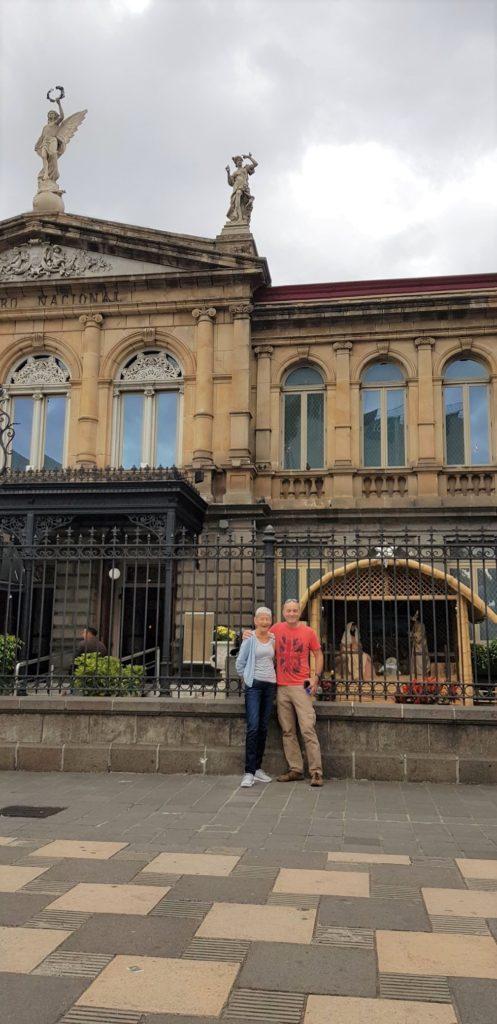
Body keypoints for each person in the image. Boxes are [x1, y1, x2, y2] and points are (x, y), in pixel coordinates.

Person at [244, 598, 324, 787]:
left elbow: (318, 654)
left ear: (299, 612)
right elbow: (258, 634)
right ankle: (296, 769)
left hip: (300, 687)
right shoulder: (276, 630)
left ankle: (316, 772)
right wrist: (245, 633)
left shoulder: (308, 632)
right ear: (283, 612)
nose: (292, 614)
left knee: (307, 729)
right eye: (288, 610)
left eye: (295, 610)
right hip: (280, 687)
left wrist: (316, 677)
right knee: (288, 731)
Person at [236, 607, 276, 788]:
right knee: (252, 726)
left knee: (263, 727)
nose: (265, 622)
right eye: (262, 618)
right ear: (255, 620)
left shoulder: (273, 638)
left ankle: (258, 768)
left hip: (270, 685)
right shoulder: (249, 639)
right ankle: (249, 772)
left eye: (267, 619)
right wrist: (247, 679)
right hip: (254, 686)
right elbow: (239, 663)